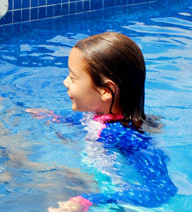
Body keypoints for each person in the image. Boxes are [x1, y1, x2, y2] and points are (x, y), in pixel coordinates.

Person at [34, 32, 177, 211]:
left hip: (117, 203)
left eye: (73, 77)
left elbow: (162, 191)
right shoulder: (95, 114)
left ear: (106, 91)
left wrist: (89, 200)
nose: (65, 82)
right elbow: (86, 123)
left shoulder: (129, 138)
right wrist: (54, 118)